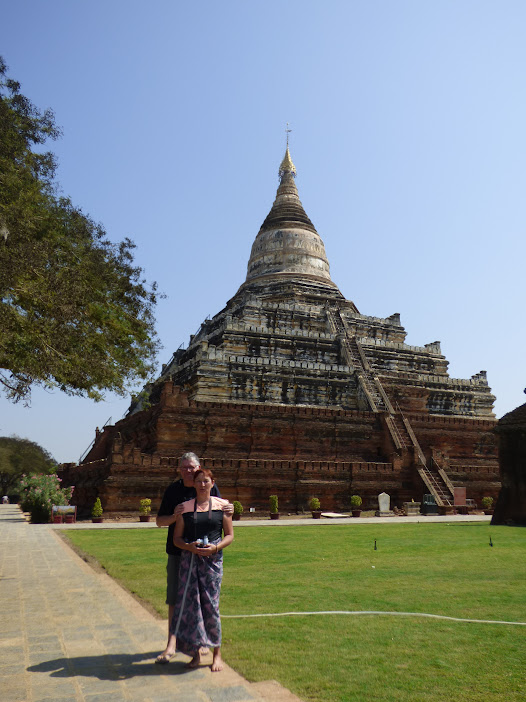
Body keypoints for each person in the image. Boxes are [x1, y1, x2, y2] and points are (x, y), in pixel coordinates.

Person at [155, 452, 232, 664]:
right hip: (180, 553)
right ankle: (172, 644)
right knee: (176, 600)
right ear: (180, 470)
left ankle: (205, 643)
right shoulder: (174, 491)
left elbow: (223, 513)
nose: (189, 472)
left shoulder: (209, 487)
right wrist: (175, 516)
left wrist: (230, 508)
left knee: (207, 602)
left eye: (193, 468)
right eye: (185, 468)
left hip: (209, 558)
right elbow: (160, 521)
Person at [172, 468, 234, 672]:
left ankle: (217, 654)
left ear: (212, 483)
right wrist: (190, 547)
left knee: (211, 607)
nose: (202, 484)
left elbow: (229, 535)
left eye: (206, 481)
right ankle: (196, 654)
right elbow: (177, 539)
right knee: (193, 609)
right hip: (190, 563)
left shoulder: (222, 506)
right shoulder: (184, 508)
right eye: (198, 481)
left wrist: (215, 548)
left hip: (213, 563)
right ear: (194, 484)